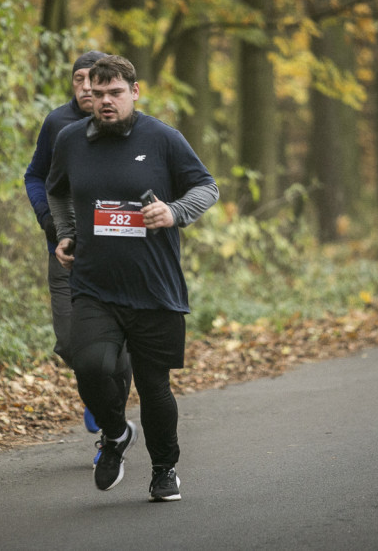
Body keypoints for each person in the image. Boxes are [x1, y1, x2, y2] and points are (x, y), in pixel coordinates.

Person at [46, 55, 218, 502]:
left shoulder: (162, 139)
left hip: (153, 285)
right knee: (90, 365)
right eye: (97, 93)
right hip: (93, 283)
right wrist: (65, 233)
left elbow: (206, 187)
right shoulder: (70, 140)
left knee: (154, 387)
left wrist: (174, 211)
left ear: (134, 92)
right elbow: (57, 188)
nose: (104, 101)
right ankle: (116, 433)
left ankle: (165, 469)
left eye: (115, 92)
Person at [24, 50, 131, 459]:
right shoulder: (58, 123)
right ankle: (99, 391)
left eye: (95, 80)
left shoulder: (123, 120)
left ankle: (109, 420)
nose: (87, 88)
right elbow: (37, 175)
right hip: (66, 253)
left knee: (116, 348)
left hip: (117, 256)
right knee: (71, 340)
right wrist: (48, 220)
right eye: (79, 80)